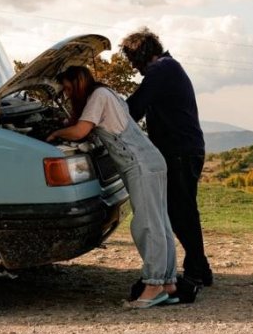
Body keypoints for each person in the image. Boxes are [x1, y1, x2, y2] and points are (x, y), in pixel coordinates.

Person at [47, 65, 177, 308]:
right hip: (152, 160)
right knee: (160, 222)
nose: (66, 94)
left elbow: (80, 131)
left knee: (147, 224)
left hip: (139, 164)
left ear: (76, 82)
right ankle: (168, 283)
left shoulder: (97, 97)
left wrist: (56, 133)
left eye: (66, 88)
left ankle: (153, 286)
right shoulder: (109, 93)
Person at [120, 29, 213, 287]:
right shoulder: (169, 68)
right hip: (186, 148)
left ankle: (196, 270)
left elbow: (134, 108)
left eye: (132, 59)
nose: (132, 66)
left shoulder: (161, 71)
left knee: (180, 211)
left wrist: (104, 112)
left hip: (180, 151)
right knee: (182, 210)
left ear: (142, 54)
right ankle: (200, 268)